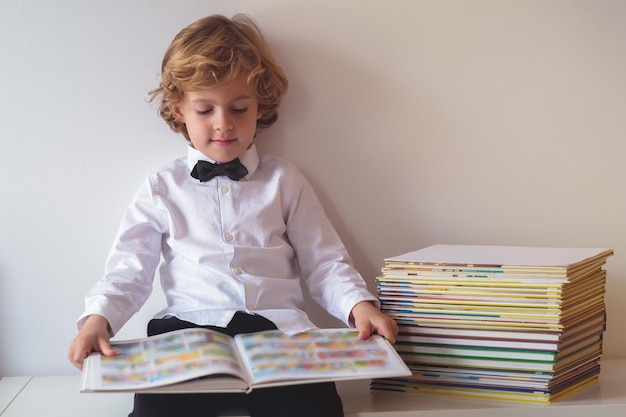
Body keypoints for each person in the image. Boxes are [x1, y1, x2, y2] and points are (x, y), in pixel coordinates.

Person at [68, 13, 398, 417]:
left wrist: (358, 305)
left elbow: (324, 261)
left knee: (315, 409)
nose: (223, 124)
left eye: (238, 108)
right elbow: (129, 269)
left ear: (260, 106)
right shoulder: (161, 187)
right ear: (178, 111)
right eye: (205, 110)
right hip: (186, 332)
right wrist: (97, 319)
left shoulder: (285, 180)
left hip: (280, 333)